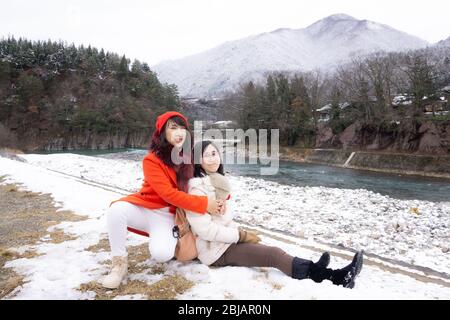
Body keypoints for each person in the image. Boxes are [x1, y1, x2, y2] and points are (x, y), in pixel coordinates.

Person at [185, 140, 364, 288]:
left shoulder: (220, 183)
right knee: (273, 255)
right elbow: (204, 230)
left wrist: (236, 229)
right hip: (214, 251)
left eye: (214, 153)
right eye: (205, 155)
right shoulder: (197, 189)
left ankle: (314, 268)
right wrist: (240, 235)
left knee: (274, 252)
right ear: (197, 161)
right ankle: (338, 277)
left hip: (224, 243)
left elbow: (224, 218)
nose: (211, 159)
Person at [102, 112, 224, 289]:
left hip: (169, 217)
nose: (179, 132)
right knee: (116, 210)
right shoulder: (151, 159)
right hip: (146, 209)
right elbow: (169, 194)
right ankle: (118, 265)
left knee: (161, 254)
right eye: (173, 127)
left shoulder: (190, 156)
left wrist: (222, 195)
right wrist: (206, 204)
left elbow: (210, 171)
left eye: (182, 127)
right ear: (162, 132)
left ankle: (162, 238)